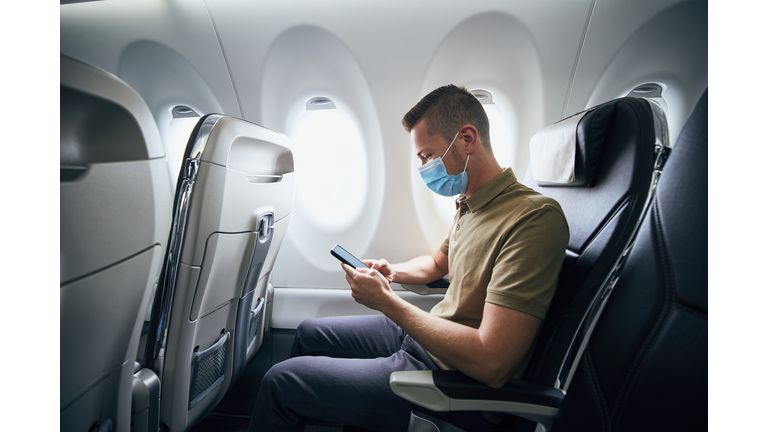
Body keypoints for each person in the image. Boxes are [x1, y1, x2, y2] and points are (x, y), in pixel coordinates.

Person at [249, 85, 569, 432]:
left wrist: (387, 302)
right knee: (310, 333)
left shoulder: (532, 219)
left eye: (427, 156)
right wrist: (391, 272)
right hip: (429, 337)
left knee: (280, 382)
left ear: (466, 139)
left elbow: (493, 361)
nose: (424, 167)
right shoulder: (472, 204)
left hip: (448, 378)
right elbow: (436, 264)